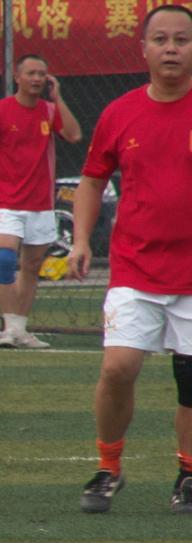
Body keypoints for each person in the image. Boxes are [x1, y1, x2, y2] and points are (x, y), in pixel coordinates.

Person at [67, 4, 192, 515]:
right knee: (118, 368)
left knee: (190, 381)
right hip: (135, 267)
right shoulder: (120, 113)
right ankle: (108, 468)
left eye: (182, 39)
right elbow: (92, 180)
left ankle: (188, 474)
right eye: (160, 39)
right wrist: (80, 240)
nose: (171, 48)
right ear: (143, 49)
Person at [0, 54, 82, 349]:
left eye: (42, 74)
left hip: (41, 204)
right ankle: (9, 329)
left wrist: (58, 98)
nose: (36, 79)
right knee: (5, 260)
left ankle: (19, 330)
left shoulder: (49, 111)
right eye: (31, 73)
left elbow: (74, 135)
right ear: (17, 77)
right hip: (7, 203)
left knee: (31, 267)